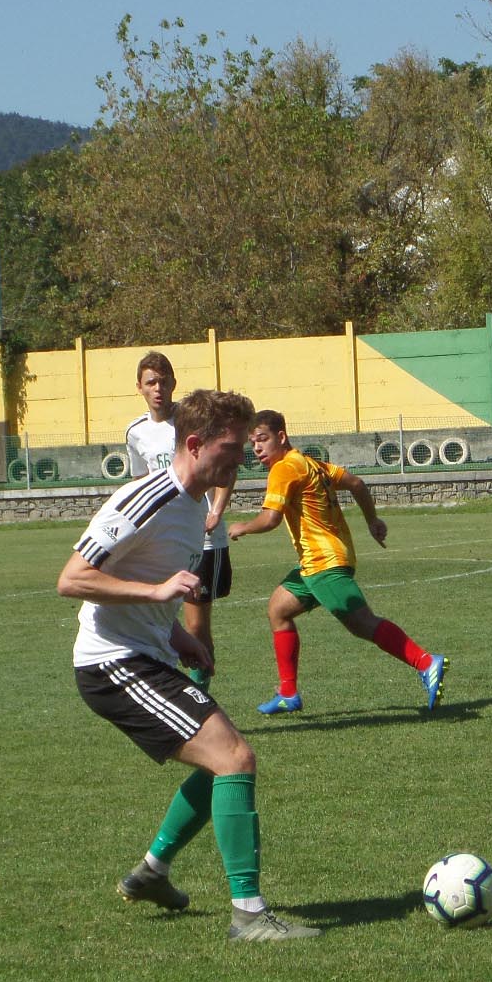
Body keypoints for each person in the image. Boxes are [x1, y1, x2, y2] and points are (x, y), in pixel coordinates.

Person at [59, 388, 319, 943]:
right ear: (195, 444)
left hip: (146, 655)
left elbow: (148, 578)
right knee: (234, 758)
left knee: (220, 763)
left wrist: (178, 635)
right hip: (112, 664)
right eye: (231, 447)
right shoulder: (146, 500)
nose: (241, 458)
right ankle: (249, 915)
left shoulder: (197, 505)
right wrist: (157, 594)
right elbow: (73, 579)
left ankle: (152, 874)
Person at [229, 408, 447, 715]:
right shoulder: (312, 464)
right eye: (252, 443)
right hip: (320, 562)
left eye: (262, 439)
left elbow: (270, 518)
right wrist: (372, 520)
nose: (257, 448)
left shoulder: (284, 468)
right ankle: (288, 693)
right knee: (278, 609)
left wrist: (242, 527)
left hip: (323, 563)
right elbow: (356, 483)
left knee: (362, 623)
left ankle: (426, 662)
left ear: (281, 436)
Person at [124, 352, 233, 685]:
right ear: (139, 387)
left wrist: (216, 511)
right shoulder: (136, 432)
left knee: (196, 627)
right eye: (150, 382)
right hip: (160, 538)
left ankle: (201, 700)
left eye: (163, 381)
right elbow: (140, 482)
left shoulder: (192, 422)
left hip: (200, 539)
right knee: (156, 622)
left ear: (173, 383)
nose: (158, 388)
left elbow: (226, 467)